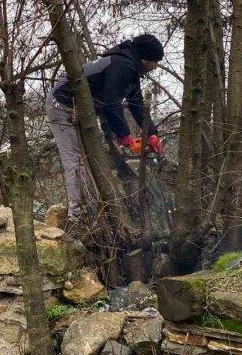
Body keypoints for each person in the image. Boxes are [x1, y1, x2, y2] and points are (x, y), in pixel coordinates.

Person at [46, 34, 164, 219]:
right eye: (154, 61)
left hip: (85, 108)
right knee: (75, 160)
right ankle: (77, 215)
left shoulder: (131, 71)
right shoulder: (121, 65)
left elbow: (136, 104)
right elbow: (111, 103)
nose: (155, 66)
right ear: (144, 58)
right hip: (62, 104)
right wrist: (124, 136)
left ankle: (93, 208)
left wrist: (151, 134)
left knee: (91, 158)